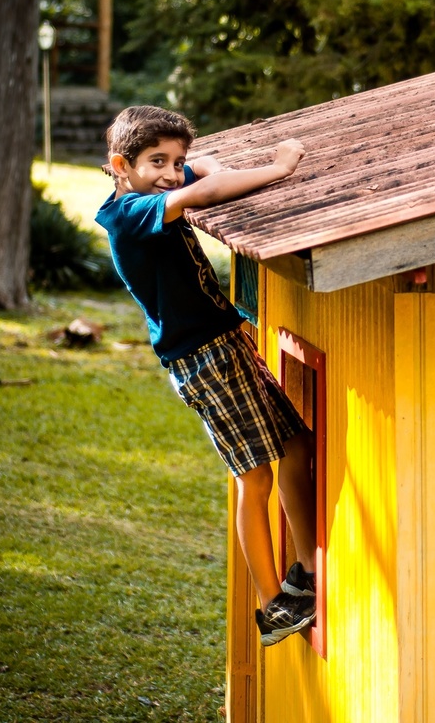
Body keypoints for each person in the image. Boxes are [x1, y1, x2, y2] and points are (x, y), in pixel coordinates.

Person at [96, 105, 318, 646]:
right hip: (202, 358)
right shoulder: (129, 215)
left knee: (296, 445)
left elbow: (205, 171)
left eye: (178, 161)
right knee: (254, 476)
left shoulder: (150, 189)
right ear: (121, 164)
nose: (172, 173)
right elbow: (202, 193)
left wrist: (203, 163)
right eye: (158, 162)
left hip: (226, 341)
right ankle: (272, 608)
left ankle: (308, 570)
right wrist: (279, 169)